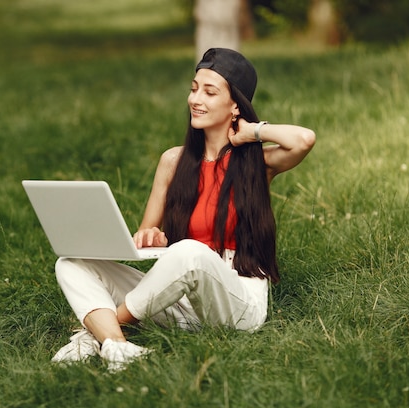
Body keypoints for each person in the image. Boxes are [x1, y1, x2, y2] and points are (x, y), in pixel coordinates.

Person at [51, 48, 316, 372]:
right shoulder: (173, 161)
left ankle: (95, 334)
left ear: (235, 105)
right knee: (71, 263)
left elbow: (303, 139)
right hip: (177, 296)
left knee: (189, 251)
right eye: (193, 89)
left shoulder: (256, 163)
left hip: (238, 301)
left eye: (209, 91)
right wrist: (151, 236)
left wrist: (252, 132)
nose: (195, 99)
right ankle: (118, 347)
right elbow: (145, 237)